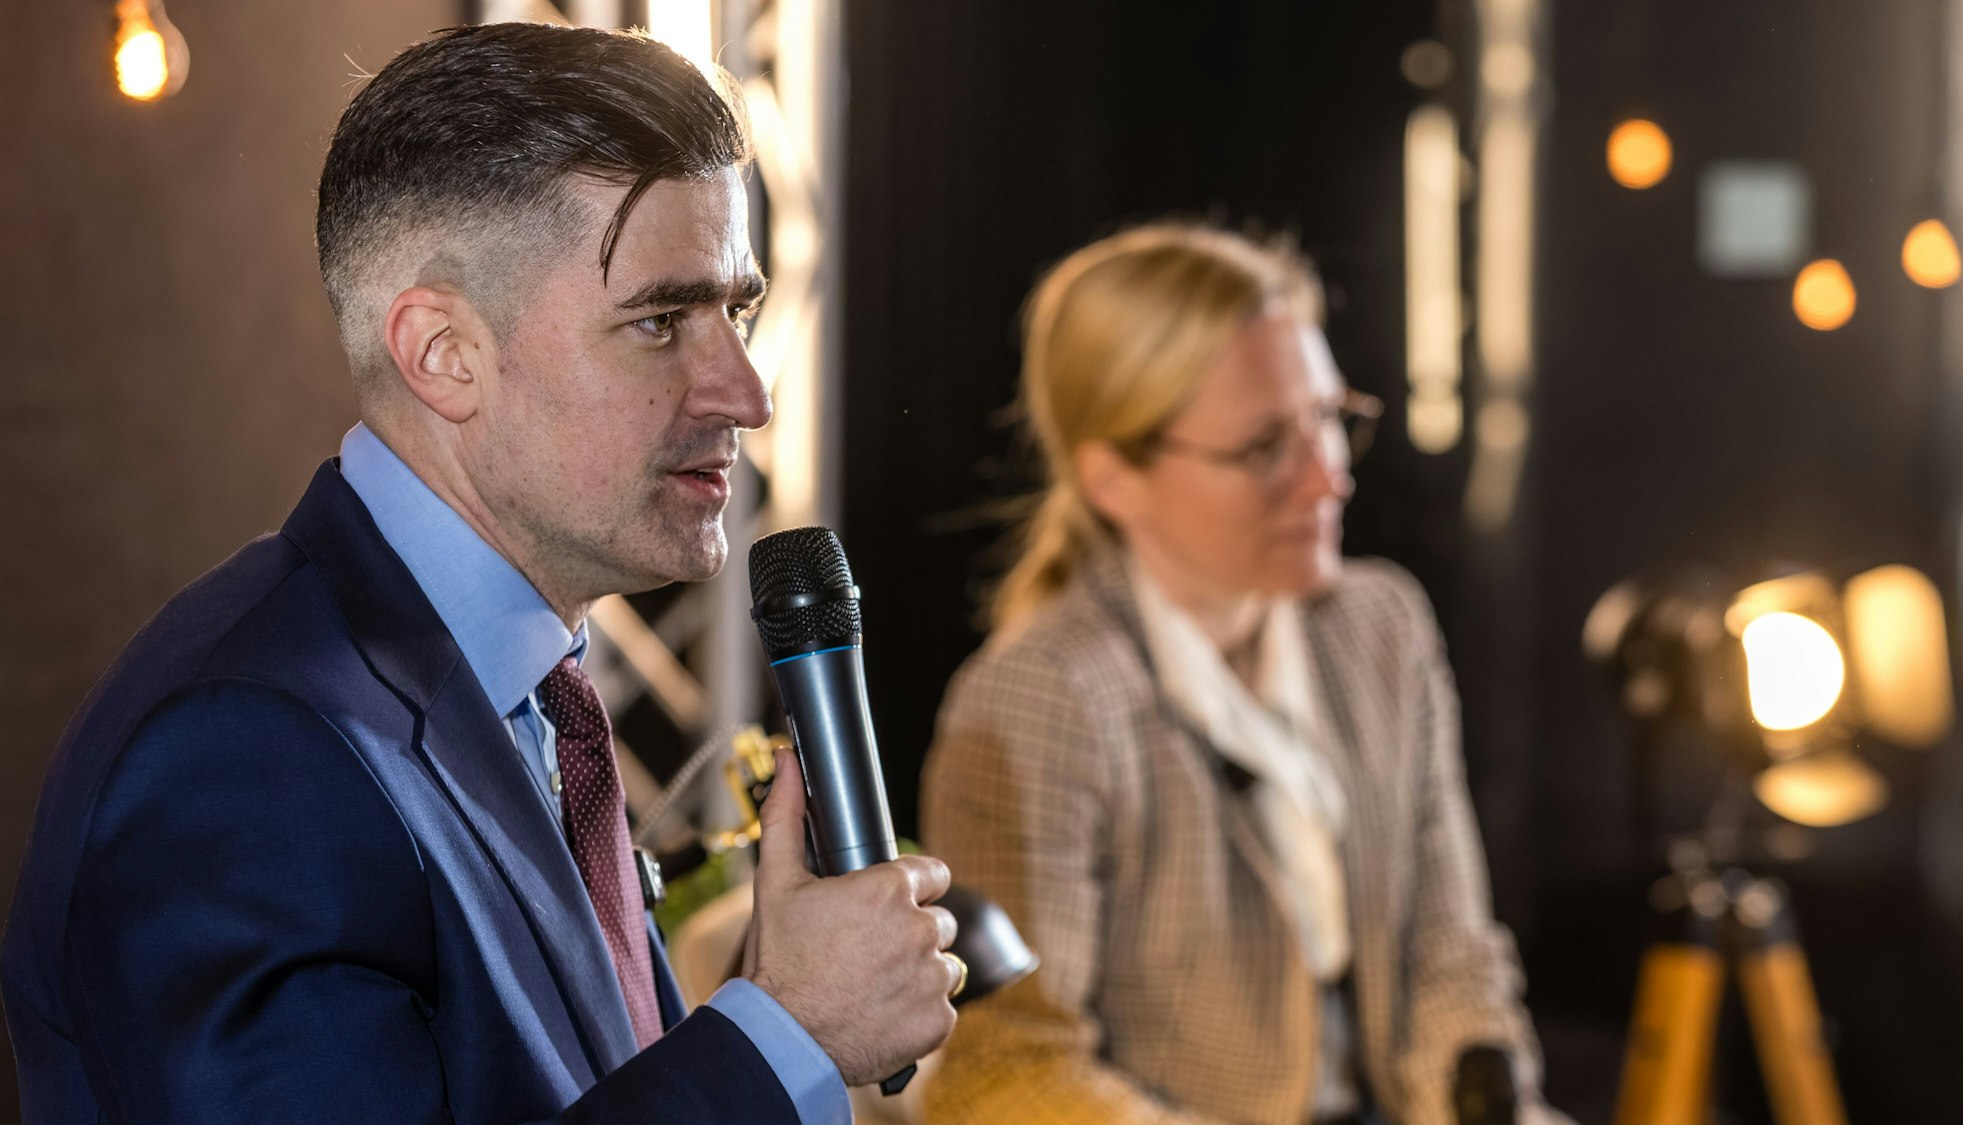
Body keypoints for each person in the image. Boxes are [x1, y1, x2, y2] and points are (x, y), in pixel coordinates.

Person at [2, 23, 959, 1124]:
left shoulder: (532, 696)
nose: (747, 394)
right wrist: (784, 1039)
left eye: (734, 312)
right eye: (659, 321)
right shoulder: (243, 752)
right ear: (443, 355)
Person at [919, 223, 1565, 1125]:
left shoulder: (1382, 625)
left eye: (1329, 418)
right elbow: (1003, 1076)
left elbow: (1450, 959)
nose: (1328, 478)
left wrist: (1482, 1103)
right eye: (1264, 446)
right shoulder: (1041, 700)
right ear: (1113, 478)